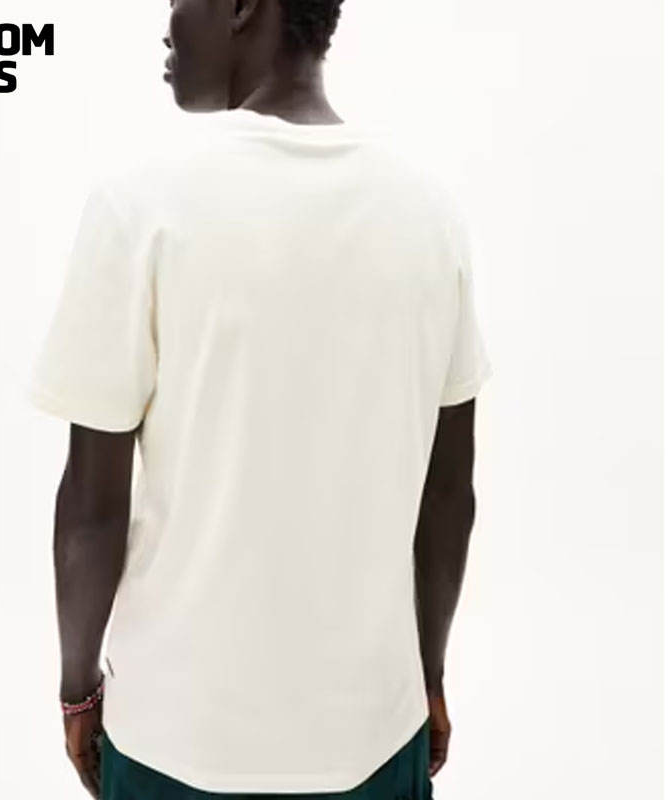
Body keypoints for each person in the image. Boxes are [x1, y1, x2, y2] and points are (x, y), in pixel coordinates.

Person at [27, 1, 493, 798]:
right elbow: (448, 494)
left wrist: (78, 691)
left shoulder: (140, 206)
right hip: (374, 739)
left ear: (245, 6)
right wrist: (428, 678)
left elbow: (92, 512)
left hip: (176, 742)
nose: (167, 24)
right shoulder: (429, 213)